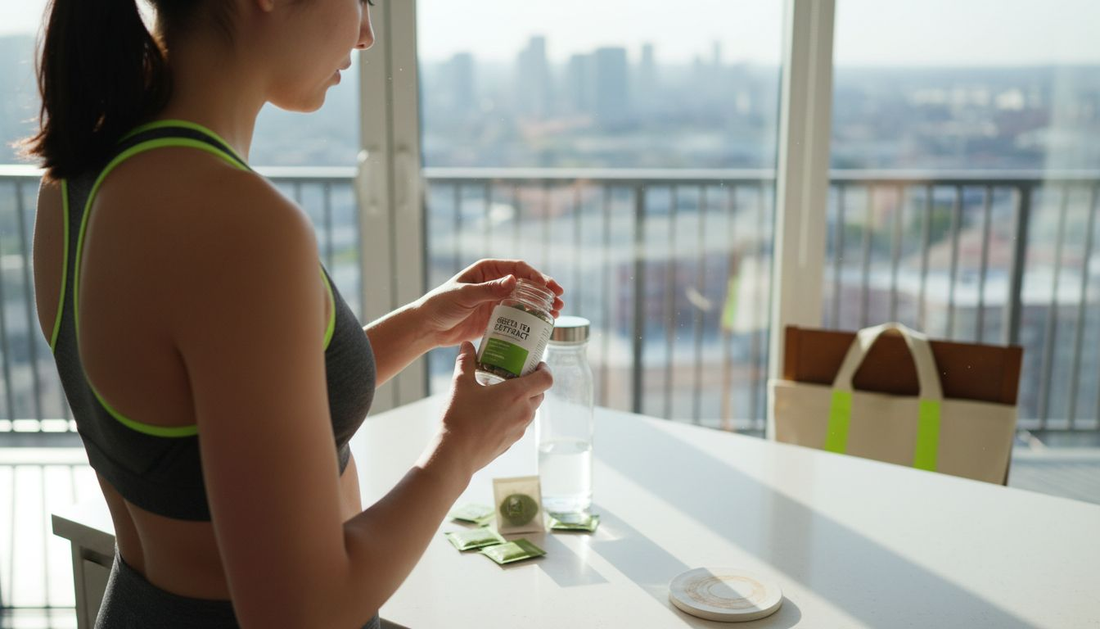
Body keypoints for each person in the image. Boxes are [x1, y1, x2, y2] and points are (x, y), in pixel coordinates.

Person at [22, 1, 563, 627]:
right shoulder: (237, 225)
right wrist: (460, 448)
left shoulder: (79, 175)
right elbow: (303, 612)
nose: (367, 32)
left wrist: (421, 324)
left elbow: (219, 411)